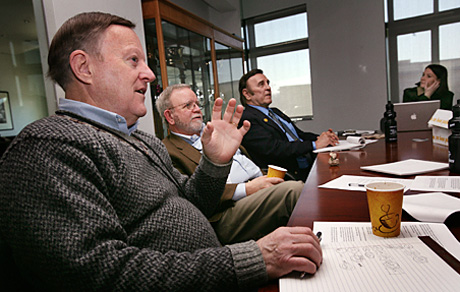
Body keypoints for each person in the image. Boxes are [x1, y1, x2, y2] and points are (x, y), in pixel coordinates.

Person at [0, 12, 322, 291]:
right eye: (133, 60)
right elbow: (98, 275)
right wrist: (250, 259)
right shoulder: (48, 147)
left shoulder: (142, 140)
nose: (150, 74)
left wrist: (213, 162)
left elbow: (194, 203)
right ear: (84, 67)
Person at [157, 84, 304, 245]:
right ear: (170, 117)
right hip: (225, 212)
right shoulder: (167, 152)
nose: (197, 109)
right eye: (188, 105)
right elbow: (188, 198)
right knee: (294, 191)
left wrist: (263, 178)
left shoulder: (216, 132)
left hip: (259, 183)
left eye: (197, 104)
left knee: (308, 185)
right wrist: (247, 189)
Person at [237, 69, 339, 181]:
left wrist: (323, 137)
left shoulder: (275, 112)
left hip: (308, 164)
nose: (268, 87)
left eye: (268, 83)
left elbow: (299, 135)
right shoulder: (247, 118)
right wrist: (314, 144)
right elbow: (274, 148)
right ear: (247, 94)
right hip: (290, 175)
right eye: (261, 85)